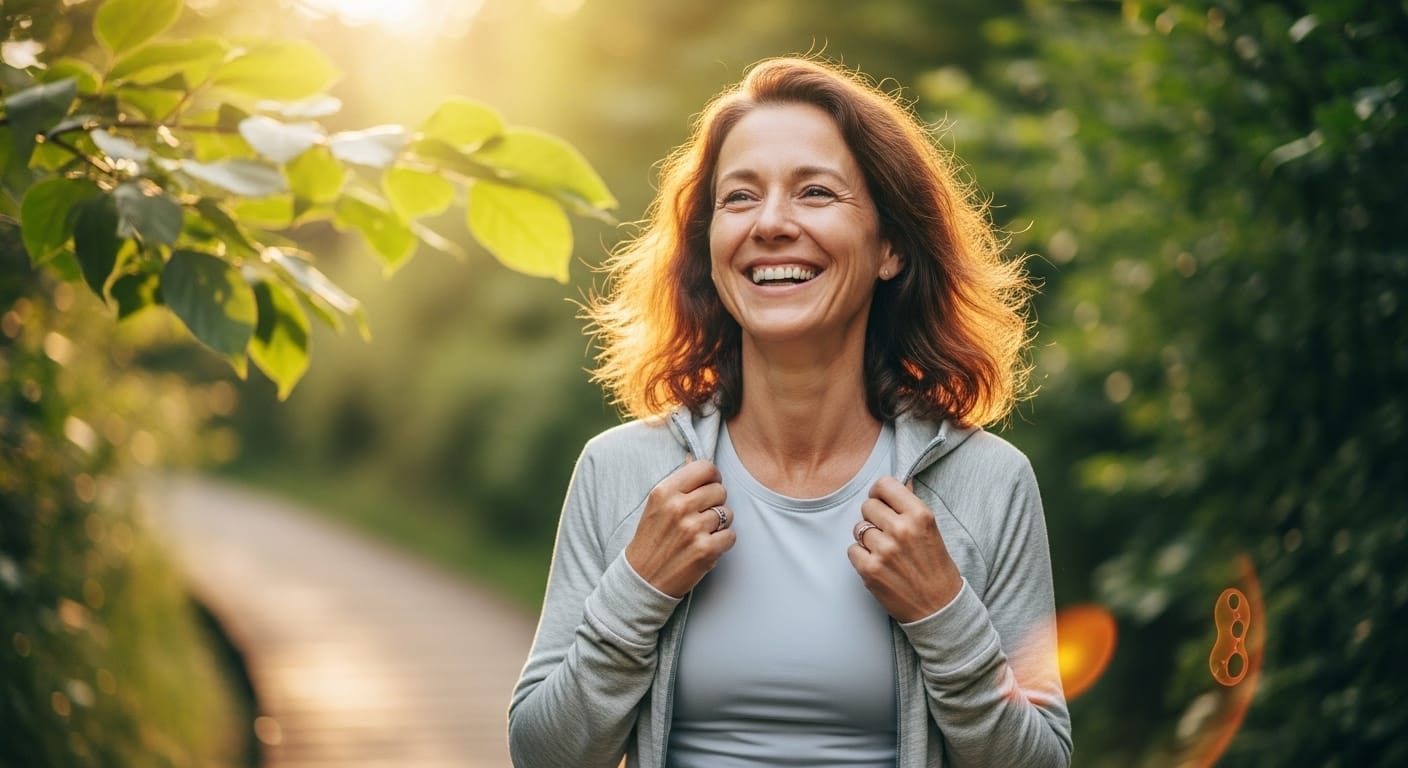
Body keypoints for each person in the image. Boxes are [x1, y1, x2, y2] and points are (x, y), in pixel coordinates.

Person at [508, 56, 1071, 768]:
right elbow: (540, 754)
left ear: (890, 246)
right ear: (709, 248)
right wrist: (637, 592)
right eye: (739, 198)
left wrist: (945, 617)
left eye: (815, 193)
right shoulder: (622, 473)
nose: (771, 223)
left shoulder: (988, 485)